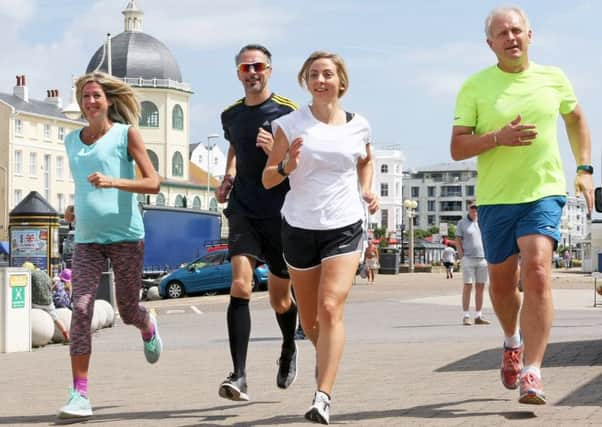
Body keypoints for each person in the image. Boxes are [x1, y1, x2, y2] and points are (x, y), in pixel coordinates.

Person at [450, 6, 594, 405]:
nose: (511, 37)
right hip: (497, 199)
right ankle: (511, 340)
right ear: (490, 44)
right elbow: (457, 147)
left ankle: (533, 370)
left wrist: (583, 168)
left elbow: (577, 118)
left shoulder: (554, 78)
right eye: (502, 33)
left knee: (537, 270)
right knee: (500, 283)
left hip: (543, 191)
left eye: (517, 30)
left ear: (530, 35)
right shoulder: (475, 86)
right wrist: (497, 137)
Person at [263, 50, 378, 425]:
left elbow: (365, 160)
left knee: (331, 307)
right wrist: (286, 166)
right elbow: (268, 178)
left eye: (327, 74)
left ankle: (322, 395)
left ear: (340, 81)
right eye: (313, 74)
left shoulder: (359, 125)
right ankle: (328, 352)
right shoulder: (290, 125)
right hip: (298, 227)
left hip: (344, 225)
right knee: (311, 321)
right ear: (305, 81)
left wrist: (367, 189)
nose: (320, 80)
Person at [58, 72, 161, 419]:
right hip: (87, 238)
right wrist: (73, 209)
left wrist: (113, 181)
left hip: (126, 237)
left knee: (129, 310)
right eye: (85, 96)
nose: (90, 102)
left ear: (109, 100)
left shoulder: (125, 134)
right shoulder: (72, 141)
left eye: (96, 96)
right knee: (82, 309)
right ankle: (79, 394)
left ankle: (147, 326)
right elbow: (84, 188)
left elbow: (153, 182)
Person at [215, 44, 299, 402]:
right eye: (246, 67)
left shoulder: (288, 112)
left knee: (280, 301)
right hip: (243, 209)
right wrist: (228, 175)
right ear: (238, 73)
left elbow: (302, 160)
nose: (253, 72)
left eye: (259, 66)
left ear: (269, 69)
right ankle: (239, 375)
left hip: (280, 213)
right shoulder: (230, 115)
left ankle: (287, 347)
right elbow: (235, 146)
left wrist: (273, 152)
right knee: (240, 285)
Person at [456, 201, 490, 326]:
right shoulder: (462, 223)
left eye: (476, 208)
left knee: (480, 287)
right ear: (468, 209)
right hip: (468, 259)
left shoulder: (483, 222)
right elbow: (458, 241)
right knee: (468, 286)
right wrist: (462, 257)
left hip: (482, 259)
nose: (475, 210)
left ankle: (478, 315)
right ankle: (466, 315)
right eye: (472, 208)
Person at [23, 262, 70, 342]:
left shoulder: (30, 275)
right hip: (48, 302)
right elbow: (50, 287)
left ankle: (26, 337)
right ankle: (66, 336)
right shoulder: (45, 274)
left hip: (35, 303)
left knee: (25, 313)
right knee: (56, 318)